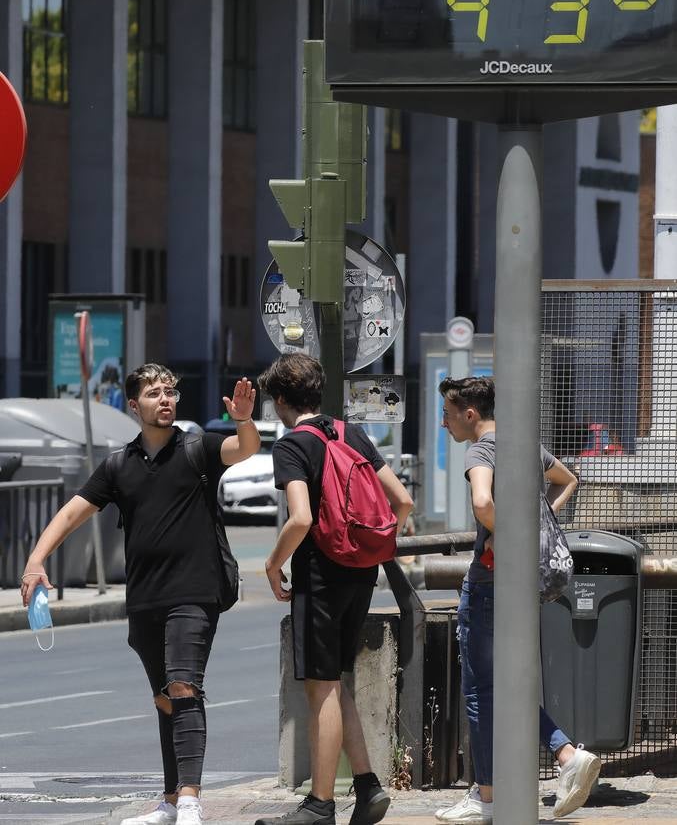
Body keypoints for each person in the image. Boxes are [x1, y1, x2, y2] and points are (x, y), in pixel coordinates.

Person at [20, 363, 260, 825]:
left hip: (196, 591)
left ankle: (191, 799)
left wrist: (245, 420)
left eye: (170, 391)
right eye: (153, 393)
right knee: (165, 698)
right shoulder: (118, 464)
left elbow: (243, 449)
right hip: (146, 597)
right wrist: (36, 560)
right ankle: (170, 801)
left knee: (184, 686)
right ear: (135, 405)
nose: (164, 399)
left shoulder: (198, 448)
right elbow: (73, 512)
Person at [255, 354, 414, 825]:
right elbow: (402, 501)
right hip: (363, 570)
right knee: (337, 680)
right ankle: (366, 786)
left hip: (320, 574)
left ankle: (319, 805)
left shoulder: (292, 446)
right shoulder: (353, 433)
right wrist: (368, 547)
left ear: (281, 399)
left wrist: (271, 564)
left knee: (320, 689)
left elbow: (301, 518)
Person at [435, 376, 601, 824]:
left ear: (471, 413)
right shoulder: (525, 446)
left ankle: (488, 796)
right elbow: (567, 479)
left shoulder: (481, 451)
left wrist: (511, 537)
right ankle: (563, 755)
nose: (444, 422)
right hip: (523, 585)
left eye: (448, 414)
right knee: (505, 685)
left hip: (489, 583)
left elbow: (483, 502)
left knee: (479, 692)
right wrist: (536, 525)